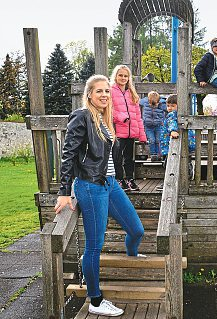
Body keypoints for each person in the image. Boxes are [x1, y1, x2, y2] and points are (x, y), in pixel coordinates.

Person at [54, 75, 145, 317]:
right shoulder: (82, 116)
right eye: (99, 91)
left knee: (137, 229)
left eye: (107, 90)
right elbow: (68, 154)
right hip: (91, 187)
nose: (104, 94)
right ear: (89, 95)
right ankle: (95, 300)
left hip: (110, 185)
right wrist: (65, 191)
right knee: (94, 246)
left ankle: (132, 254)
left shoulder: (104, 120)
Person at [110, 65, 147, 191]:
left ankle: (130, 179)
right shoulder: (110, 91)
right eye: (120, 75)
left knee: (129, 158)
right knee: (117, 157)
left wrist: (142, 135)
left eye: (126, 76)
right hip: (118, 131)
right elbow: (109, 110)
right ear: (115, 76)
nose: (123, 78)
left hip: (131, 132)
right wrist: (121, 117)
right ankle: (120, 180)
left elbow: (138, 116)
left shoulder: (132, 92)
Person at [157, 94, 195, 190]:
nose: (169, 108)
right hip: (184, 144)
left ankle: (169, 182)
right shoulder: (183, 115)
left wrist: (173, 130)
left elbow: (171, 122)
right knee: (183, 161)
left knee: (168, 164)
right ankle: (186, 176)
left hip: (170, 146)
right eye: (168, 105)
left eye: (172, 106)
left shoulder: (173, 115)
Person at [140, 91, 166, 161]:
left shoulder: (161, 104)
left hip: (158, 125)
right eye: (151, 105)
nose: (153, 107)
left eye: (155, 105)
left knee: (158, 140)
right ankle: (153, 154)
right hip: (148, 126)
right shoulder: (145, 102)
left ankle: (158, 154)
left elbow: (169, 108)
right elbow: (137, 101)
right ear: (148, 101)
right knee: (152, 140)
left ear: (158, 101)